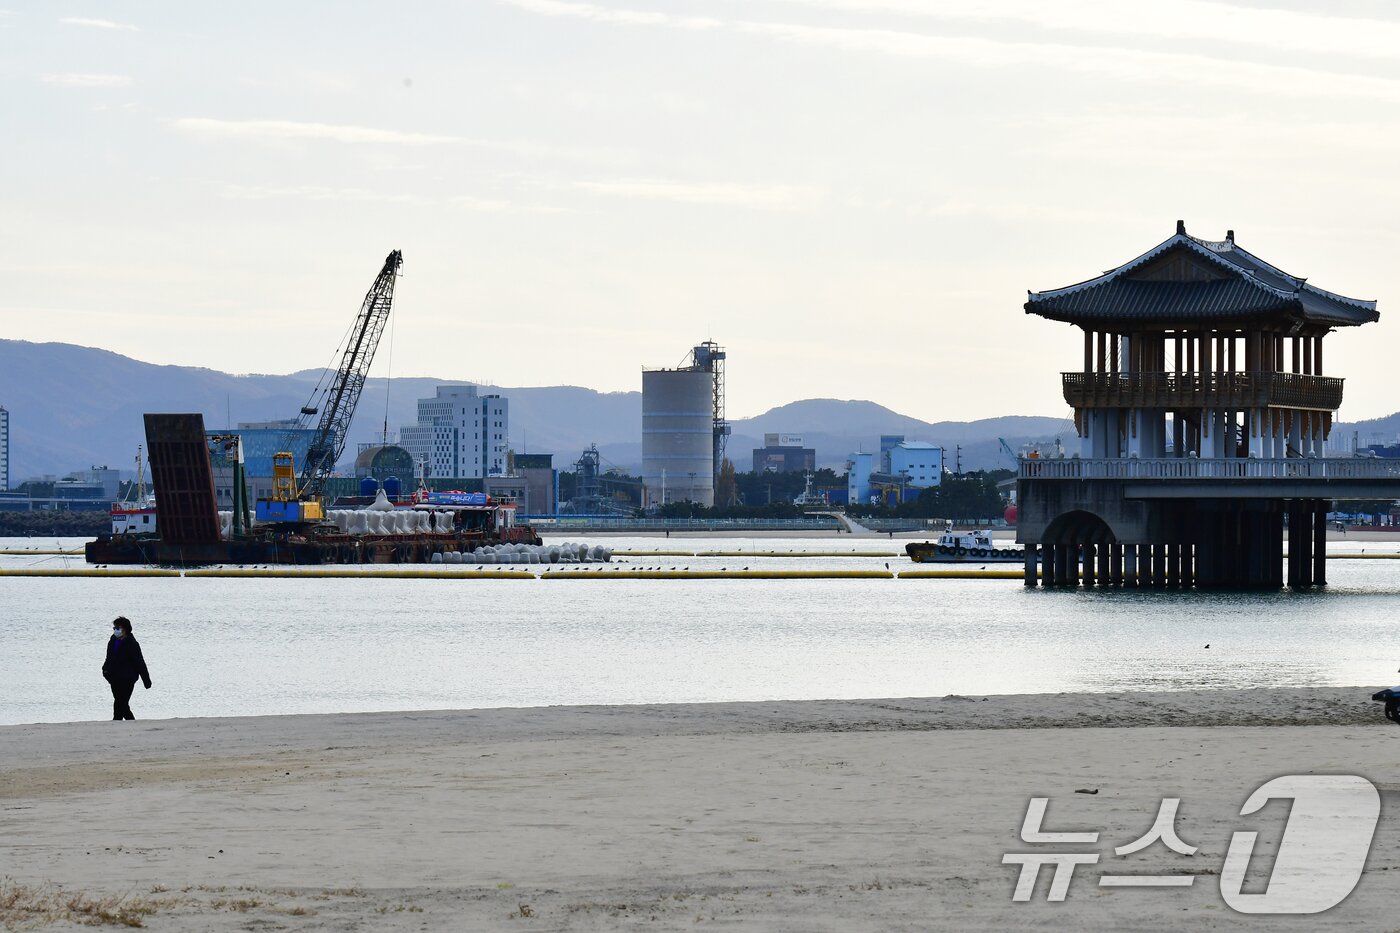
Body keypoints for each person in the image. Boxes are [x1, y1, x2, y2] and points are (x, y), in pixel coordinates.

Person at [102, 616, 151, 720]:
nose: (116, 630)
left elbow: (140, 663)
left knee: (120, 703)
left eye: (118, 628)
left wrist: (146, 680)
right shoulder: (112, 641)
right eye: (114, 628)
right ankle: (130, 723)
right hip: (114, 678)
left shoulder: (132, 644)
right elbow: (108, 658)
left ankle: (116, 721)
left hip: (128, 678)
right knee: (121, 704)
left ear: (125, 630)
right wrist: (105, 670)